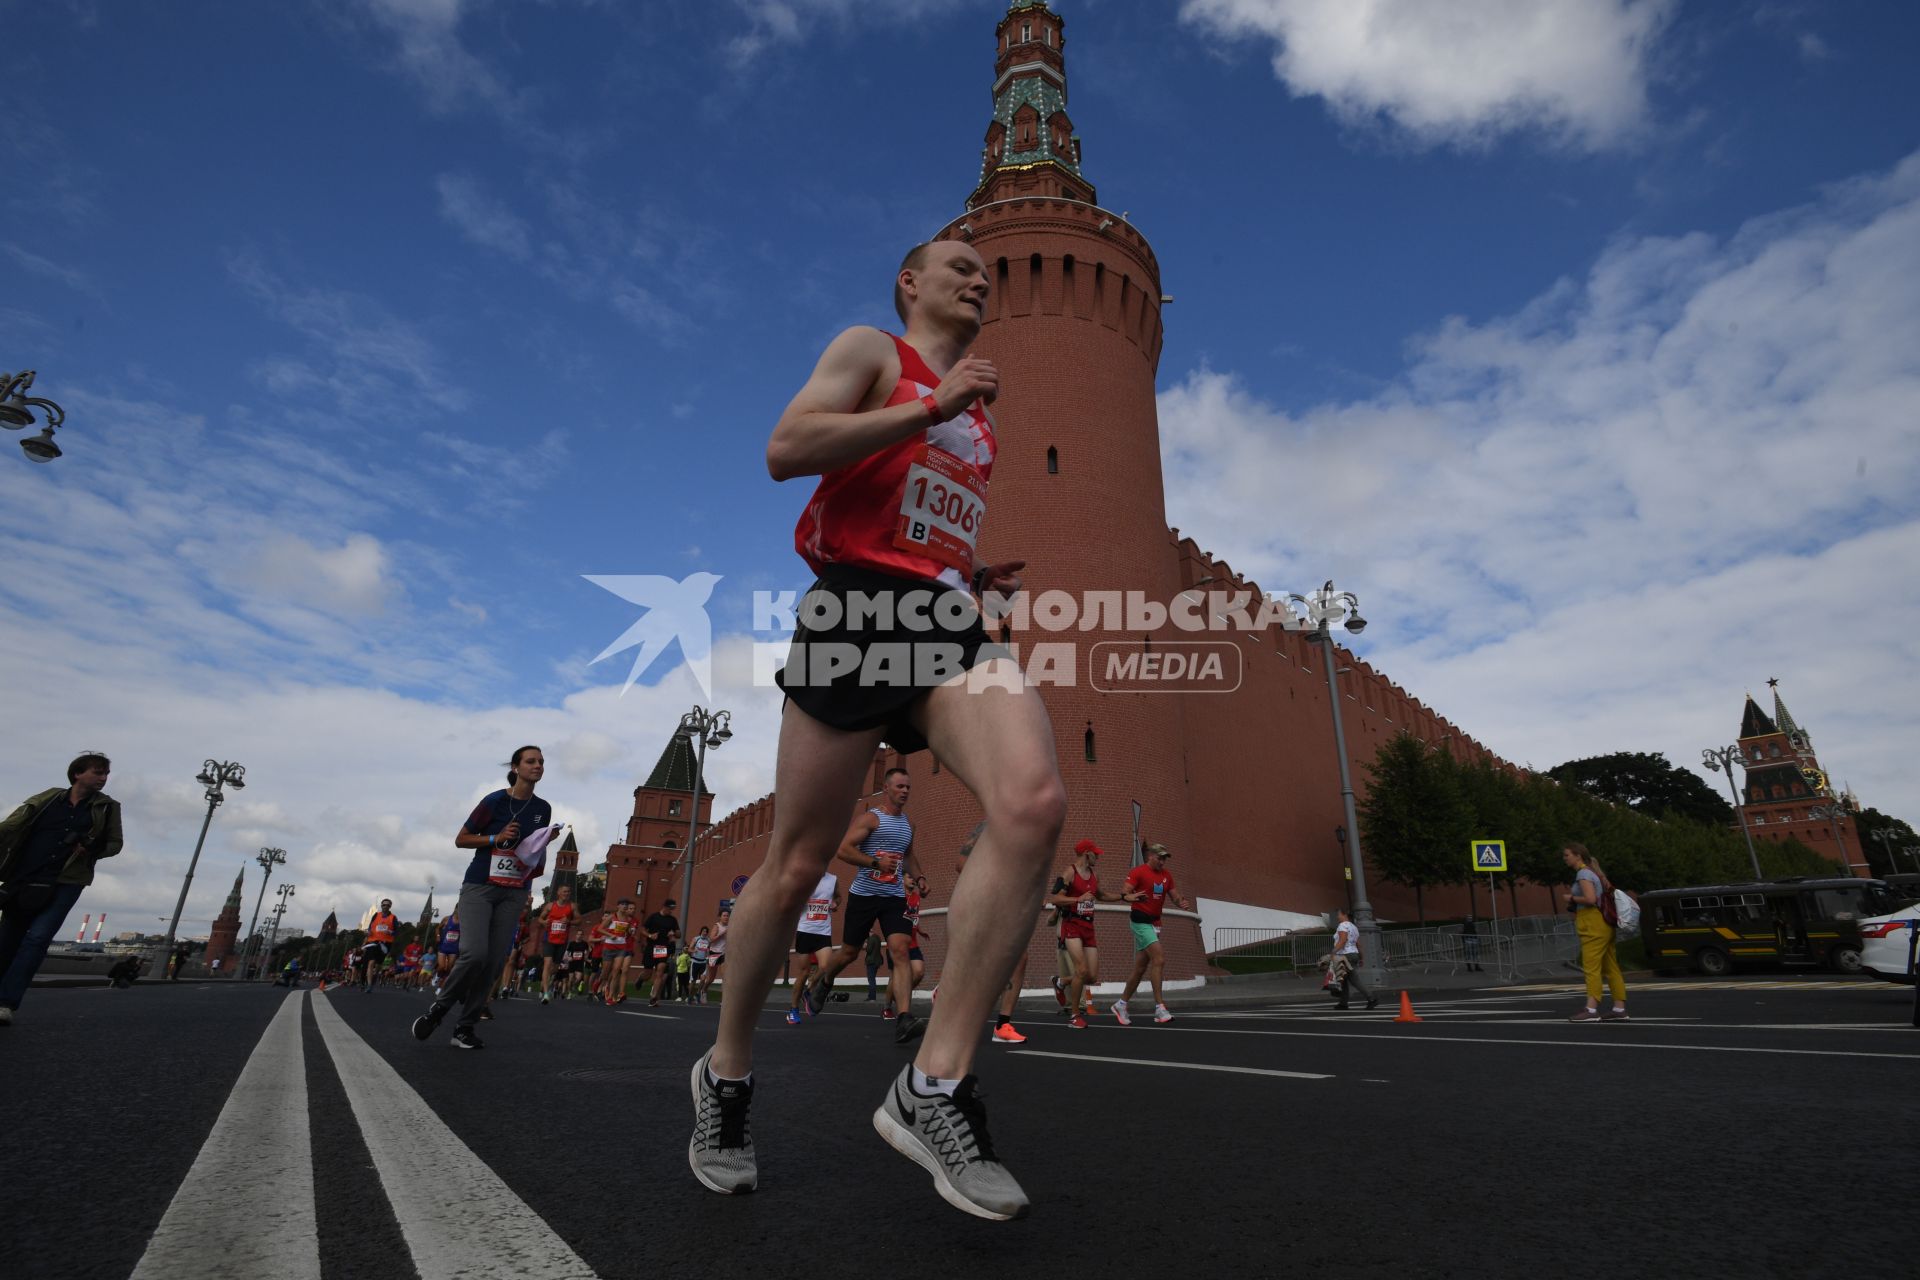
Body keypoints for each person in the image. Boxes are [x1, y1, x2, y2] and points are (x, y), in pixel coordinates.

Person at [687, 239, 1063, 1222]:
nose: (979, 277)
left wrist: (979, 595)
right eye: (957, 265)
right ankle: (726, 1074)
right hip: (854, 609)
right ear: (910, 283)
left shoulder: (980, 422)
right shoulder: (877, 352)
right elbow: (786, 448)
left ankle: (932, 1084)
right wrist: (927, 405)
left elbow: (932, 526)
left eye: (989, 271)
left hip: (943, 620)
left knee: (1032, 800)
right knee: (796, 861)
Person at [411, 746, 553, 1049]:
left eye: (541, 762)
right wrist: (495, 838)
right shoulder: (494, 801)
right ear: (515, 768)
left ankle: (464, 1027)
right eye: (531, 761)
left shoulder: (543, 808)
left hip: (515, 890)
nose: (538, 766)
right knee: (474, 953)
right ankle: (440, 1008)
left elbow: (532, 850)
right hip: (480, 886)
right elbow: (461, 839)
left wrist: (544, 841)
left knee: (494, 961)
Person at [0, 753, 123, 1026]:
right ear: (78, 773)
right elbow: (13, 825)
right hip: (25, 876)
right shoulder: (49, 798)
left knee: (38, 939)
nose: (103, 778)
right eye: (98, 772)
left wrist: (92, 849)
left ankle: (6, 1003)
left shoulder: (108, 807)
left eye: (105, 774)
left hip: (68, 880)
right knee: (7, 939)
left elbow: (115, 844)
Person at [806, 768, 923, 1040]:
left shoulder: (908, 825)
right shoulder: (871, 819)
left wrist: (920, 876)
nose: (905, 791)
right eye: (900, 786)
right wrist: (875, 863)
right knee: (849, 952)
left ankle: (904, 1017)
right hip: (864, 896)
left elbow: (909, 856)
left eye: (908, 787)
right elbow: (844, 849)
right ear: (887, 788)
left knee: (901, 950)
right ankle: (825, 979)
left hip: (894, 896)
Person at [1112, 843, 1191, 1025]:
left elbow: (1175, 896)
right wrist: (1129, 896)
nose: (1163, 862)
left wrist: (1182, 902)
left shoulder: (1166, 876)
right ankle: (1160, 1008)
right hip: (1140, 921)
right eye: (1160, 857)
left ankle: (1121, 1004)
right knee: (1159, 959)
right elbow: (1125, 891)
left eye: (1165, 858)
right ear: (1151, 856)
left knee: (1140, 969)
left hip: (1155, 923)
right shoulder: (1138, 872)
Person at [1051, 840, 1122, 1029]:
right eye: (1095, 854)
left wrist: (1124, 897)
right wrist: (1078, 898)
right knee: (1081, 971)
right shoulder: (1069, 873)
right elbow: (1055, 897)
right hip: (1072, 924)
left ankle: (1060, 982)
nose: (1098, 857)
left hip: (1088, 927)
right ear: (1086, 854)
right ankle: (1075, 1016)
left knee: (1090, 977)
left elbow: (1102, 895)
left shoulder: (1093, 875)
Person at [1564, 843, 1628, 1023]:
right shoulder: (1595, 873)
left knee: (1591, 967)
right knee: (1611, 968)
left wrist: (1571, 898)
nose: (1565, 858)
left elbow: (1590, 899)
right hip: (1604, 924)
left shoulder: (1583, 874)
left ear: (1577, 855)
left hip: (1593, 925)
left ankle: (1591, 1009)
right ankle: (1619, 1008)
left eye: (1567, 855)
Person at [786, 871, 838, 1025]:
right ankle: (793, 1010)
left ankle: (809, 991)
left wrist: (835, 904)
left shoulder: (833, 879)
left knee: (827, 967)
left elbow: (838, 897)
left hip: (823, 931)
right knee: (803, 972)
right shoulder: (804, 876)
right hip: (804, 931)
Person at [1325, 908, 1378, 1011]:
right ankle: (1343, 1003)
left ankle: (1372, 998)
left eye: (1338, 914)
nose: (1337, 916)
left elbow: (1343, 941)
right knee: (1348, 980)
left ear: (1344, 915)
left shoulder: (1343, 925)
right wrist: (1361, 957)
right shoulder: (1354, 927)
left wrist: (1333, 952)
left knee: (1343, 979)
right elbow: (1359, 944)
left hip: (1345, 955)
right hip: (1353, 954)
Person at [535, 885, 578, 1004]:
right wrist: (544, 921)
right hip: (549, 939)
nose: (567, 893)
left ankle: (546, 983)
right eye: (564, 891)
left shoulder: (572, 906)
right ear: (558, 893)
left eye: (568, 891)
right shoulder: (550, 906)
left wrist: (569, 921)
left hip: (562, 941)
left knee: (554, 968)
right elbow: (540, 919)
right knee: (547, 964)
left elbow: (579, 921)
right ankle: (546, 993)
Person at [597, 899, 638, 1006]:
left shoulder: (627, 919)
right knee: (606, 972)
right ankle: (599, 982)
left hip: (621, 947)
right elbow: (600, 929)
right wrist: (610, 935)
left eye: (626, 905)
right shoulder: (612, 917)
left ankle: (610, 997)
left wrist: (631, 931)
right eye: (623, 905)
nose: (625, 906)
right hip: (609, 946)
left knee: (616, 972)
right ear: (618, 906)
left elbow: (628, 932)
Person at [643, 899, 681, 1008]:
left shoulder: (672, 920)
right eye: (670, 908)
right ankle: (640, 979)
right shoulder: (653, 917)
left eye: (673, 909)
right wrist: (650, 935)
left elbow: (679, 934)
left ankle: (653, 997)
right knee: (648, 974)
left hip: (663, 948)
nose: (671, 911)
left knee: (660, 972)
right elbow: (642, 929)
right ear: (664, 907)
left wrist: (674, 933)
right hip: (651, 947)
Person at [363, 899, 399, 992]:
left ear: (390, 906)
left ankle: (376, 974)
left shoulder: (393, 917)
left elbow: (397, 932)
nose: (385, 906)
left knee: (379, 964)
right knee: (371, 963)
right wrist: (368, 932)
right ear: (381, 906)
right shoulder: (376, 915)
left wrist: (390, 932)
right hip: (373, 941)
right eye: (384, 905)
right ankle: (369, 985)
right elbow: (371, 926)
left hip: (385, 943)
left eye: (387, 905)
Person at [697, 908, 729, 1003]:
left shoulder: (730, 926)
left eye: (727, 915)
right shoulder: (717, 926)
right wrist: (721, 934)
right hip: (714, 953)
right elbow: (711, 939)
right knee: (711, 978)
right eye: (724, 915)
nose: (726, 917)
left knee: (725, 977)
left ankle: (723, 1000)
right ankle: (704, 990)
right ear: (720, 917)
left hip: (724, 954)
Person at [434, 911, 461, 993]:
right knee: (442, 966)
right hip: (443, 946)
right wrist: (438, 936)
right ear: (456, 909)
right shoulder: (447, 919)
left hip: (454, 948)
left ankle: (440, 987)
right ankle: (437, 976)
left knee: (449, 968)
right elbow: (438, 928)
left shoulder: (464, 921)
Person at [688, 927, 712, 1003]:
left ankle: (698, 993)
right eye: (703, 931)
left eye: (706, 932)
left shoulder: (708, 940)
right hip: (695, 961)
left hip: (703, 962)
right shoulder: (696, 939)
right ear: (701, 931)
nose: (705, 933)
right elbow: (689, 949)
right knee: (693, 981)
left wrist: (708, 957)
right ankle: (690, 996)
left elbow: (709, 950)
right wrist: (693, 950)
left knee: (703, 979)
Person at [862, 929, 885, 1001]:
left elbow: (869, 950)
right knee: (872, 978)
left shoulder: (871, 939)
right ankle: (871, 996)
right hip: (877, 961)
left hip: (871, 961)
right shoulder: (877, 938)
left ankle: (872, 997)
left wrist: (865, 946)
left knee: (871, 979)